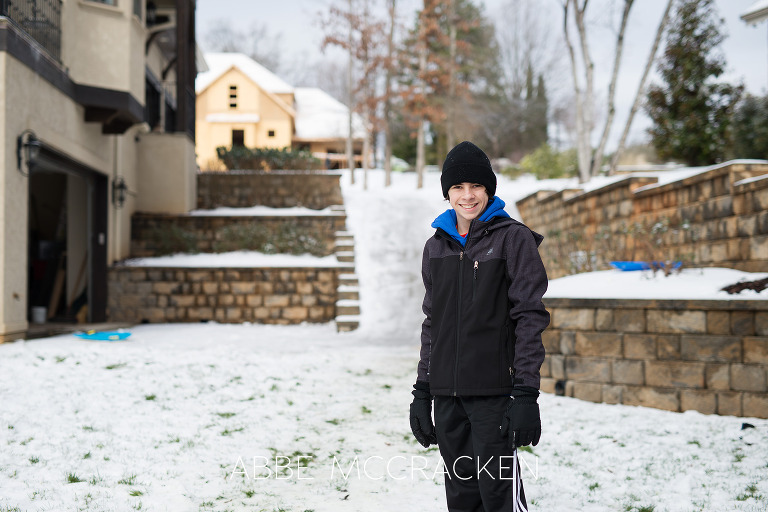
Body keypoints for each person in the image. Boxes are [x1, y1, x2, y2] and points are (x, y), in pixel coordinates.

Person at [409, 141, 550, 512]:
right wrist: (422, 391)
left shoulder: (513, 239)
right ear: (447, 193)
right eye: (457, 187)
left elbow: (529, 316)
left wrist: (525, 394)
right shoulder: (435, 247)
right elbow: (432, 324)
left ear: (489, 190)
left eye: (476, 187)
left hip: (494, 396)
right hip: (447, 397)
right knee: (461, 501)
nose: (467, 196)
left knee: (499, 500)